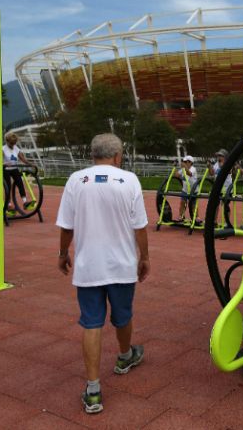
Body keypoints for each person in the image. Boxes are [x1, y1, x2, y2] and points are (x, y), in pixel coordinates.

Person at [56, 133, 150, 414]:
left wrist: (63, 253)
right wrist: (144, 257)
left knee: (91, 322)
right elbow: (140, 226)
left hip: (88, 266)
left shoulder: (76, 180)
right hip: (121, 265)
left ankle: (94, 389)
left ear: (92, 154)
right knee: (123, 316)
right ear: (118, 156)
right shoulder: (129, 180)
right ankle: (124, 356)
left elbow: (67, 226)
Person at [3, 132, 35, 212]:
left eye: (14, 143)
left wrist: (30, 164)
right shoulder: (3, 149)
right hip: (5, 170)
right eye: (11, 143)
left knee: (20, 184)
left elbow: (23, 159)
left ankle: (25, 202)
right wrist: (5, 164)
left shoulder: (16, 148)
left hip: (14, 169)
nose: (13, 145)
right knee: (8, 187)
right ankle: (8, 204)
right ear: (7, 141)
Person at [208, 149, 234, 226]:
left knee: (225, 205)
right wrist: (209, 167)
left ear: (225, 157)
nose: (218, 157)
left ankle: (227, 222)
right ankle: (214, 221)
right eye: (218, 155)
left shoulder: (229, 163)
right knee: (215, 205)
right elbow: (212, 174)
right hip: (218, 188)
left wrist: (222, 165)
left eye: (220, 156)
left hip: (227, 189)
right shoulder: (216, 164)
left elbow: (228, 171)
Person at [172, 155, 197, 223]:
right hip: (185, 190)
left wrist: (184, 166)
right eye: (184, 162)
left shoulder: (193, 169)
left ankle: (196, 217)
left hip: (193, 190)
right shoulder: (183, 169)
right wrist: (174, 167)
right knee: (182, 203)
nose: (184, 163)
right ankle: (181, 216)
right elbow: (177, 175)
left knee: (193, 205)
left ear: (190, 162)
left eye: (186, 162)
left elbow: (189, 173)